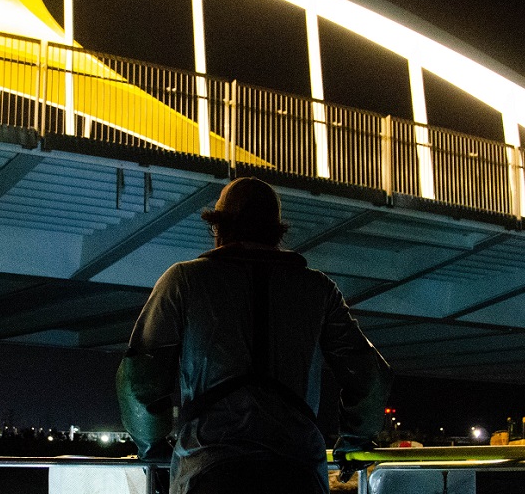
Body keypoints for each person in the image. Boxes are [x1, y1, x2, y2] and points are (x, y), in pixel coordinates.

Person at [117, 177, 392, 494]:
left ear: (217, 228)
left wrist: (153, 451)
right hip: (299, 472)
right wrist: (355, 440)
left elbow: (139, 381)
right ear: (277, 231)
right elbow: (370, 375)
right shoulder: (318, 289)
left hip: (210, 471)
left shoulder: (183, 280)